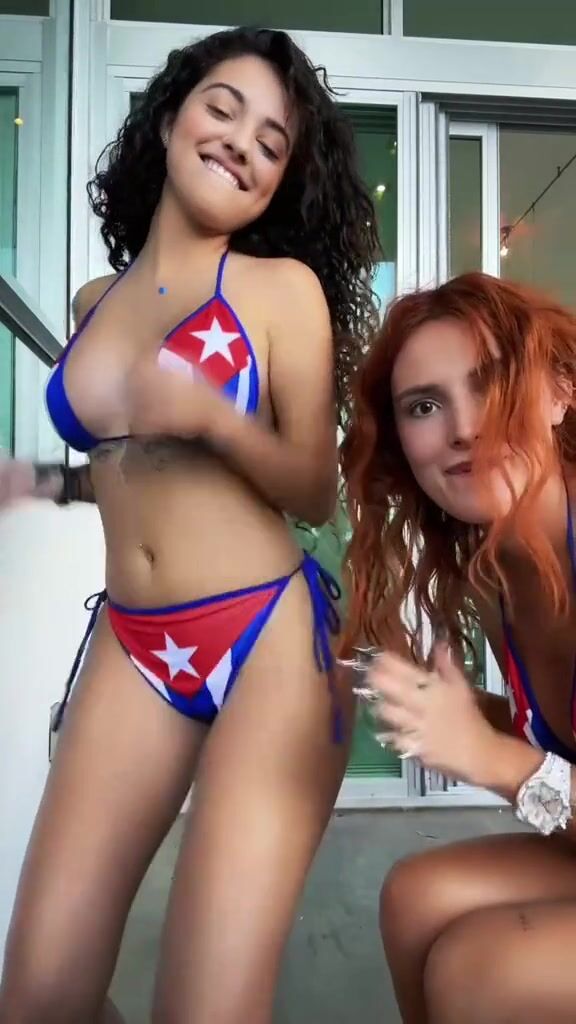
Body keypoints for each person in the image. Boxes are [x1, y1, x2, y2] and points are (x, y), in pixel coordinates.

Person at [0, 26, 378, 1024]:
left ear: (282, 180)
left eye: (272, 142)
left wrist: (217, 417)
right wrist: (39, 481)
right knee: (38, 998)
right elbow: (129, 466)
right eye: (223, 109)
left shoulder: (280, 291)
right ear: (170, 118)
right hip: (134, 640)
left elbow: (314, 488)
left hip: (267, 639)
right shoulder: (94, 300)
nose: (242, 143)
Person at [341, 272, 576, 1024]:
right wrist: (467, 713)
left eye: (492, 383)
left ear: (560, 393)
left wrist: (491, 757)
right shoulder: (501, 564)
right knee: (415, 897)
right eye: (424, 406)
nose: (466, 429)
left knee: (482, 972)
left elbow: (521, 767)